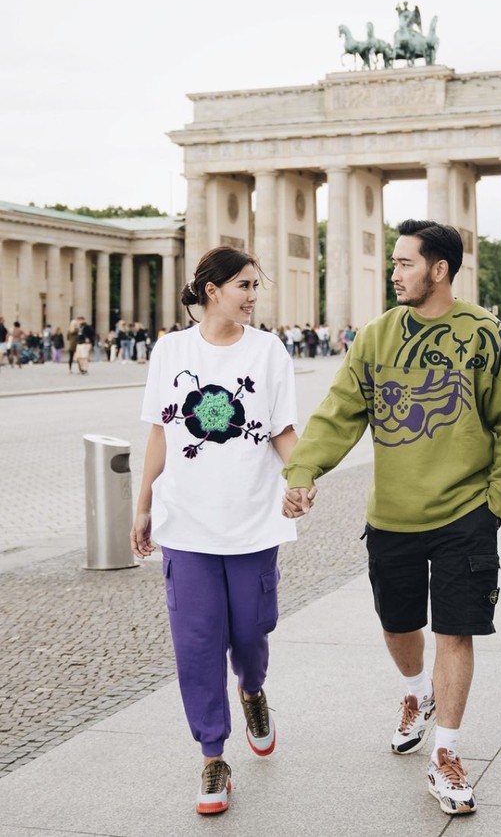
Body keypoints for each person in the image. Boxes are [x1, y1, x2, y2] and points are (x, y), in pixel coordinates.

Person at [282, 219, 501, 817]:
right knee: (399, 626)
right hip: (393, 515)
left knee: (456, 628)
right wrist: (303, 471)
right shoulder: (375, 336)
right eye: (395, 263)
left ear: (439, 270)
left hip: (464, 514)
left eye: (404, 263)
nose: (394, 273)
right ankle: (414, 691)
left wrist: (495, 501)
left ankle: (446, 753)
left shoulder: (486, 336)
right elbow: (340, 411)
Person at [131, 245, 310, 816]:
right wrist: (143, 506)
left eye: (256, 285)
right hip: (186, 522)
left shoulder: (269, 351)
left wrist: (301, 476)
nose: (254, 296)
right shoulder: (170, 351)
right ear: (212, 290)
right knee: (197, 642)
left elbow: (282, 429)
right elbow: (160, 434)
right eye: (244, 286)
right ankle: (213, 755)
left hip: (253, 520)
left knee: (254, 627)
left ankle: (253, 689)